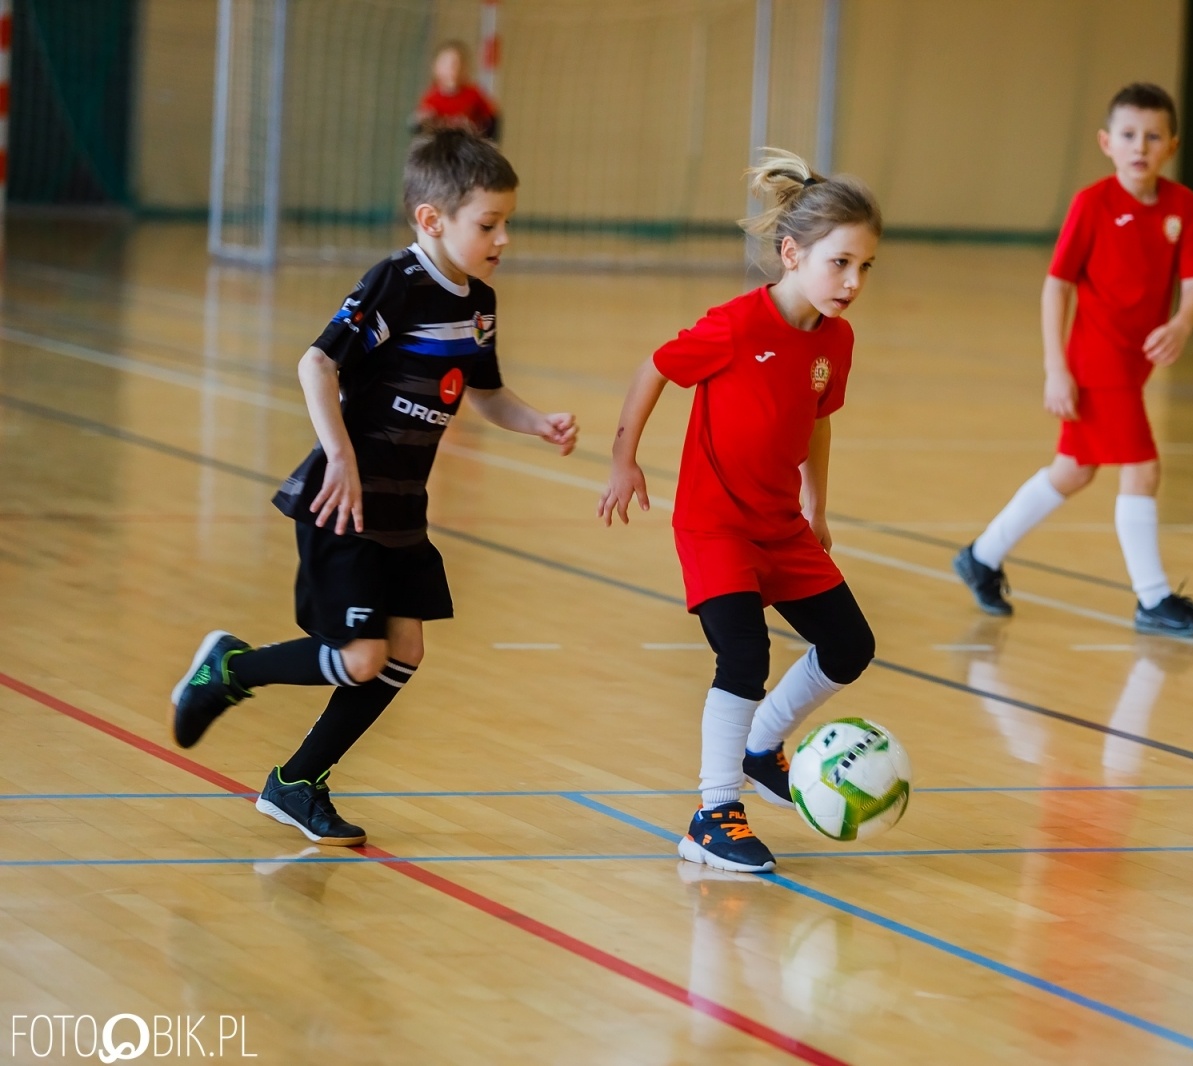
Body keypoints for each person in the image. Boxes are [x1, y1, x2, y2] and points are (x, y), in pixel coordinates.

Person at [169, 128, 577, 847]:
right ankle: (230, 669)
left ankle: (297, 783)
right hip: (345, 501)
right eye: (488, 224)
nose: (503, 238)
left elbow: (485, 392)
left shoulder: (480, 302)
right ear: (431, 219)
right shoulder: (397, 282)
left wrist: (536, 421)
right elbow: (316, 364)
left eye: (507, 223)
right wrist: (340, 455)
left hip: (402, 509)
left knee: (404, 652)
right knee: (362, 658)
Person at [598, 148, 880, 874]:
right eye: (840, 263)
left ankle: (762, 748)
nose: (852, 282)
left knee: (850, 645)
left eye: (864, 267)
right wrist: (624, 459)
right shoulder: (736, 325)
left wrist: (817, 504)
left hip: (780, 526)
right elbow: (655, 368)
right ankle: (713, 814)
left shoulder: (835, 339)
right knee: (744, 654)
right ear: (792, 254)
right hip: (715, 525)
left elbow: (817, 418)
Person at [953, 83, 1193, 637]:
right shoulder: (1092, 204)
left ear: (1172, 145)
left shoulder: (1182, 205)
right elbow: (1056, 285)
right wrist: (1056, 367)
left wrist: (1181, 323)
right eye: (1129, 134)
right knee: (1143, 468)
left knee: (1074, 470)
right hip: (1097, 358)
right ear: (1107, 142)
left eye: (1153, 136)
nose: (1140, 146)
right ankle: (1153, 599)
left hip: (1135, 362)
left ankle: (981, 556)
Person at [414, 40, 499, 140]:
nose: (452, 68)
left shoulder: (474, 94)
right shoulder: (430, 97)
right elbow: (420, 126)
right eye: (446, 64)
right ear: (435, 67)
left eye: (456, 63)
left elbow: (492, 120)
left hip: (468, 144)